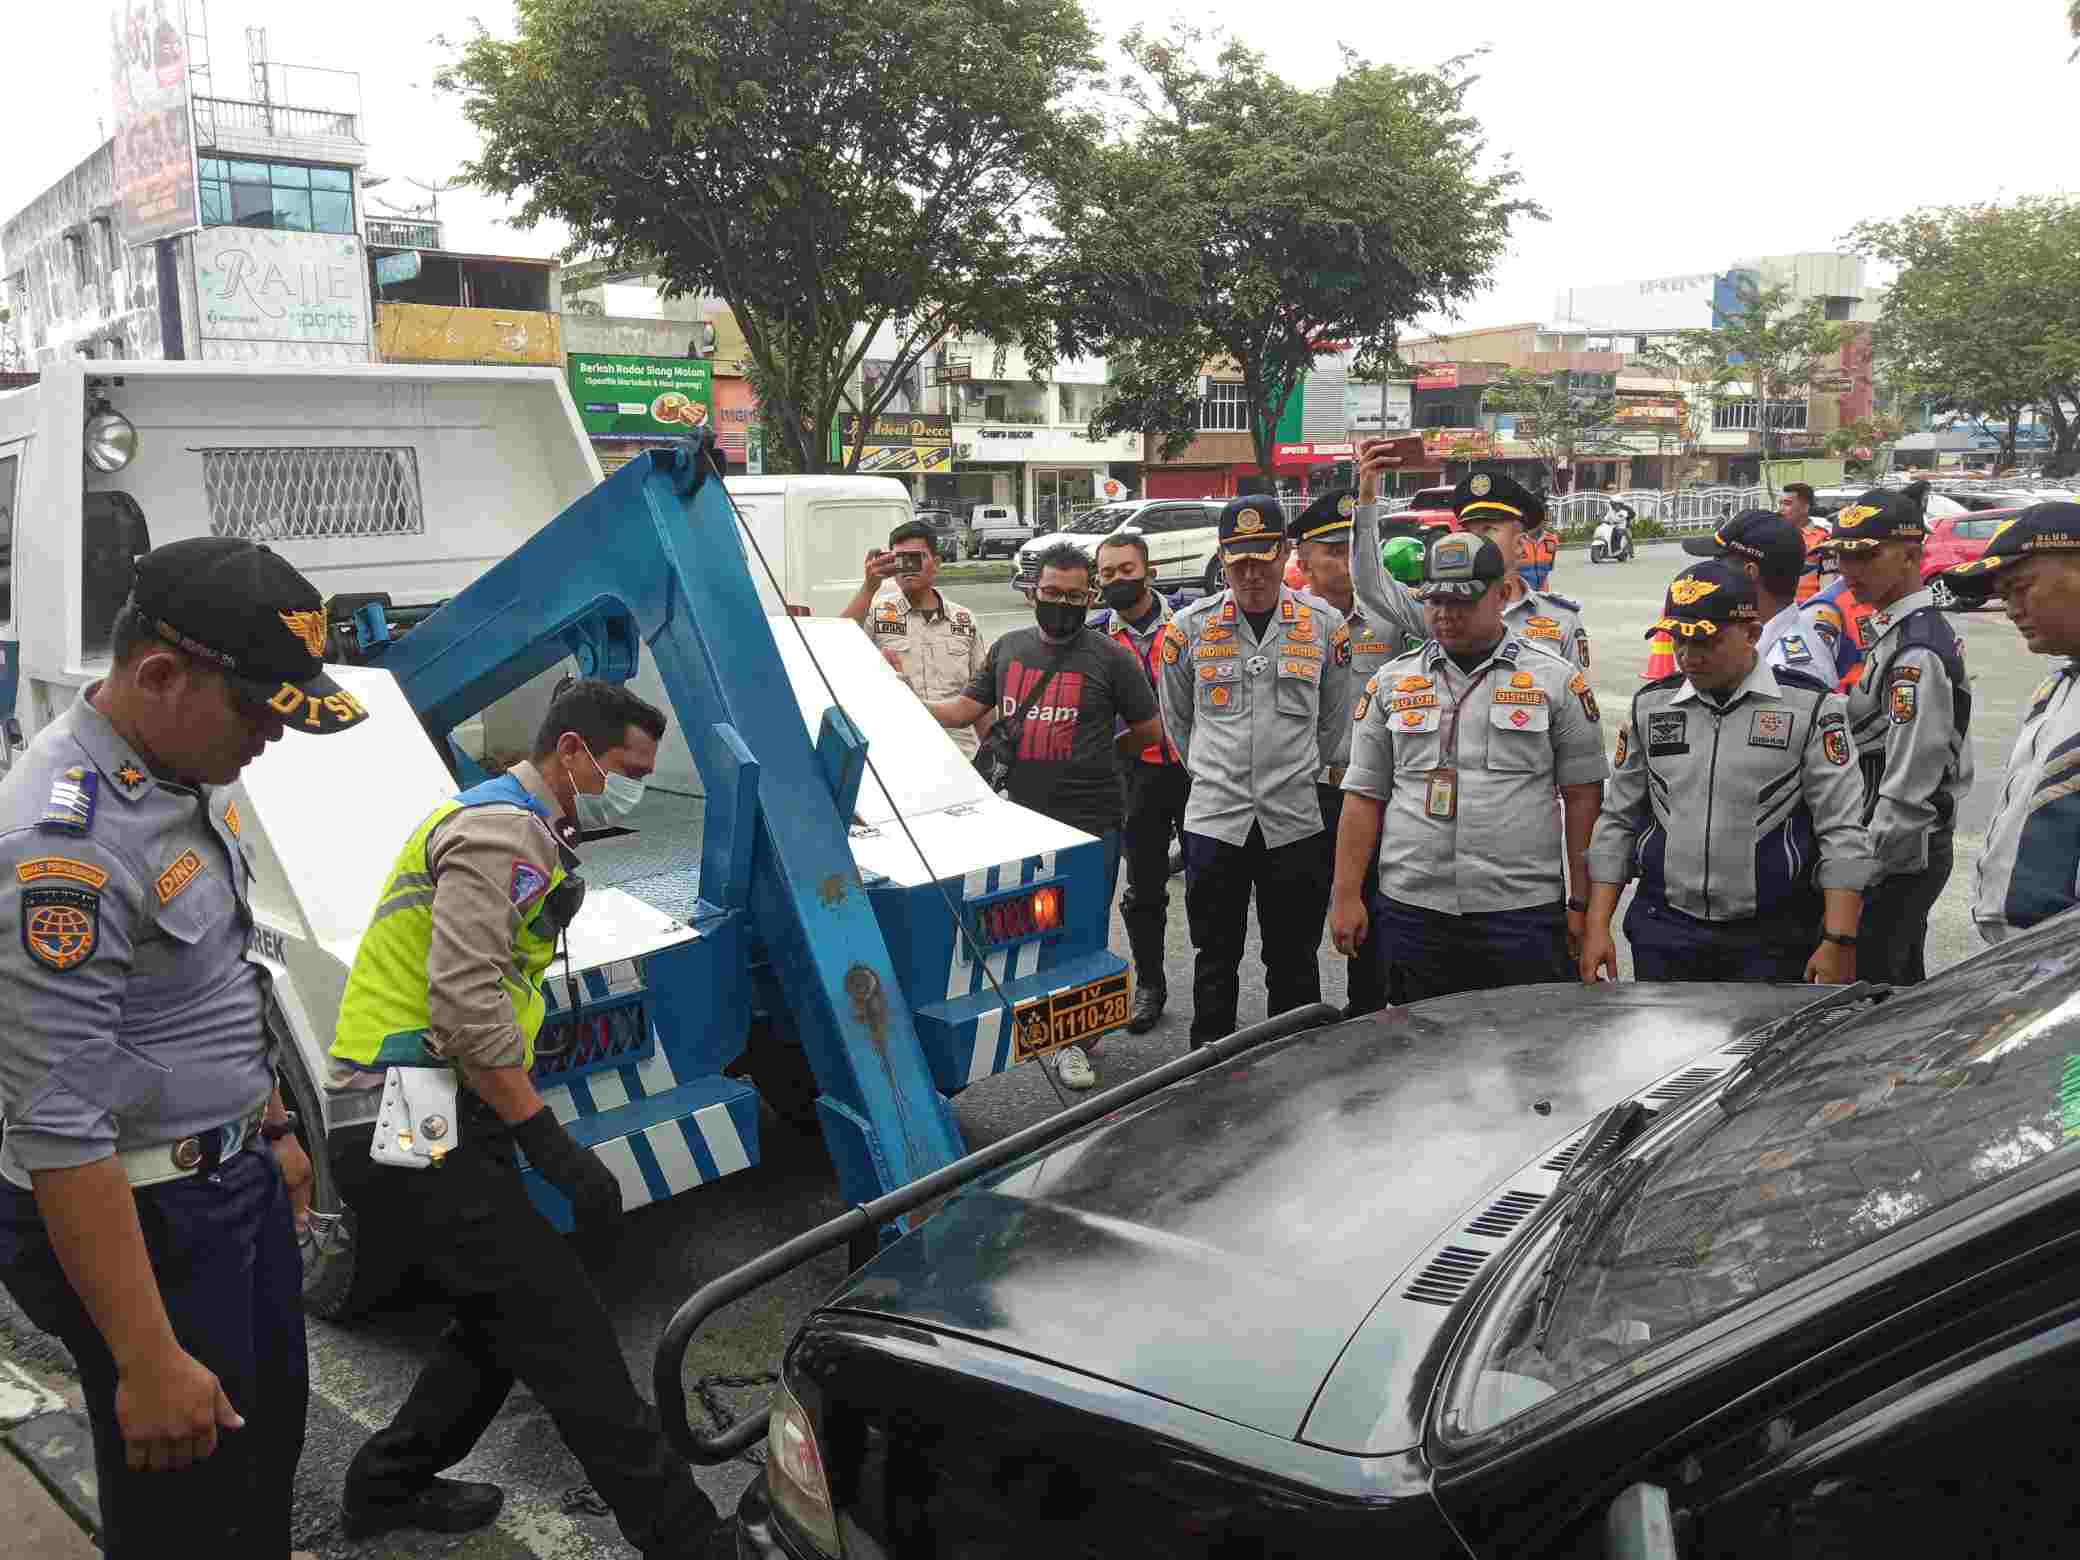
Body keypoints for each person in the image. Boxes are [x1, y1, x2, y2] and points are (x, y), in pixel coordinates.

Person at [0, 538, 363, 1556]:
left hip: (226, 1180)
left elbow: (215, 976)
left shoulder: (173, 772)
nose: (272, 738)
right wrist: (145, 1357)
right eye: (257, 711)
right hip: (144, 1217)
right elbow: (60, 1129)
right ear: (159, 676)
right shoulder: (60, 848)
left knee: (263, 1456)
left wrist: (276, 1126)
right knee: (187, 1503)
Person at [327, 680, 730, 1557]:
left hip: (414, 1106)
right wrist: (549, 1145)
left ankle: (385, 1487)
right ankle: (695, 1544)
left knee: (500, 1312)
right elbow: (466, 1000)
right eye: (626, 768)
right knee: (563, 1330)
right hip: (412, 1104)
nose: (632, 787)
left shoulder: (526, 826)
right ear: (573, 750)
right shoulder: (504, 831)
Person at [1330, 532, 1608, 1005]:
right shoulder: (1391, 682)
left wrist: (1584, 906)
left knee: (1526, 1057)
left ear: (1501, 594)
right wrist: (1346, 894)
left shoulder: (1556, 682)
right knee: (1421, 1052)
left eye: (1462, 600)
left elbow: (1585, 802)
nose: (1445, 613)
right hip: (1414, 909)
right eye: (1435, 600)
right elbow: (1363, 796)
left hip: (1520, 912)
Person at [928, 542, 1164, 1089]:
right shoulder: (1009, 649)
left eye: (1074, 595)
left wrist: (1099, 758)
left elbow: (1149, 734)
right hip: (1021, 824)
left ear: (1090, 596)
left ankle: (1078, 1043)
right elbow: (965, 709)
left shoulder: (1113, 658)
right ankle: (1046, 1030)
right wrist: (901, 698)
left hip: (1091, 822)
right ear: (1033, 591)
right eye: (1051, 593)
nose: (1061, 603)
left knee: (1084, 934)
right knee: (1029, 933)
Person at [1580, 560, 1871, 985]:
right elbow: (1618, 821)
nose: (1687, 655)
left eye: (1706, 641)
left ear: (1752, 634)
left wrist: (1839, 939)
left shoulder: (1810, 708)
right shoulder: (1650, 707)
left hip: (1774, 936)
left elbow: (1841, 828)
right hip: (1665, 930)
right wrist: (1595, 927)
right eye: (1678, 638)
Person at [1160, 497, 1351, 1046]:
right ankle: (1209, 1065)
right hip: (1215, 820)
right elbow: (1180, 724)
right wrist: (1216, 773)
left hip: (1293, 820)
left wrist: (1293, 769)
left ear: (1285, 553)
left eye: (1262, 558)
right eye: (1237, 560)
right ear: (1222, 557)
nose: (1249, 572)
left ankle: (1293, 1065)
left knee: (1293, 956)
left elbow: (1331, 724)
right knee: (1213, 956)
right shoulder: (1188, 629)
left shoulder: (1324, 626)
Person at [1812, 482, 1974, 986]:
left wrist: (1858, 878)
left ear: (1911, 555)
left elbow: (1907, 789)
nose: (1848, 571)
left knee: (1870, 992)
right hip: (1898, 848)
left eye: (1864, 556)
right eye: (1840, 556)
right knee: (1898, 983)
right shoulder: (1898, 633)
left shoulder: (1916, 652)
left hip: (1899, 853)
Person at [1937, 503, 2080, 941]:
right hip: (2028, 965)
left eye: (2021, 587)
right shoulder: (2060, 684)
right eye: (2003, 594)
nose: (2011, 609)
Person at [1287, 489, 1392, 1016]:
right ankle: (1301, 1025)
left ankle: (1365, 1018)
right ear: (1302, 560)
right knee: (1297, 919)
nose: (1346, 562)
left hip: (1372, 795)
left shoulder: (1394, 625)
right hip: (1307, 792)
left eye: (1354, 549)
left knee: (1369, 909)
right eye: (1332, 551)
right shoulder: (1286, 626)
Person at [1087, 530, 1186, 1035]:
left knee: (1215, 885)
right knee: (1143, 887)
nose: (1118, 580)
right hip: (1134, 775)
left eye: (1127, 570)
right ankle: (1150, 985)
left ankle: (1219, 984)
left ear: (1149, 571)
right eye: (1107, 573)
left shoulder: (1193, 619)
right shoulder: (1093, 636)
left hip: (1198, 771)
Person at [842, 518, 993, 761]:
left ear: (937, 563)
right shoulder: (877, 613)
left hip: (959, 753)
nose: (908, 566)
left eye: (917, 557)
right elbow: (840, 645)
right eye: (900, 559)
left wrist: (992, 754)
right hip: (900, 750)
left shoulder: (964, 621)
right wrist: (869, 587)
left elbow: (982, 697)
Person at [1681, 508, 1841, 685]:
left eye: (1718, 564)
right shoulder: (1762, 640)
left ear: (1749, 573)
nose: (1712, 575)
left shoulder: (1788, 669)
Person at [1780, 482, 1833, 605]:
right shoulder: (1775, 535)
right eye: (1780, 503)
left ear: (1806, 507)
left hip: (1808, 611)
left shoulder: (1823, 539)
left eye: (1787, 504)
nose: (1781, 509)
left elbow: (1829, 587)